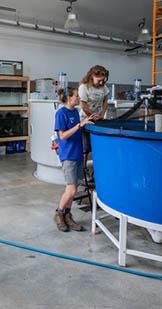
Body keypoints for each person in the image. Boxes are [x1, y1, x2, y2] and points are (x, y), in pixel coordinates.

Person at [53, 87, 94, 232]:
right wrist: (79, 125)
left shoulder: (75, 112)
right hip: (68, 155)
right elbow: (62, 136)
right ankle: (59, 213)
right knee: (71, 190)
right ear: (69, 98)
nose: (78, 98)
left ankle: (67, 215)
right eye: (76, 96)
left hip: (77, 154)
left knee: (74, 188)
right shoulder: (61, 114)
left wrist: (87, 122)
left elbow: (78, 130)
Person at [78, 65, 110, 152]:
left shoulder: (103, 87)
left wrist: (102, 115)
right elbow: (83, 105)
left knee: (97, 145)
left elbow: (105, 101)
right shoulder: (84, 87)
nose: (101, 83)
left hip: (98, 119)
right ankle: (83, 165)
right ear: (92, 76)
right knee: (86, 146)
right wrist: (92, 116)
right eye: (99, 80)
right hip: (86, 119)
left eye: (103, 80)